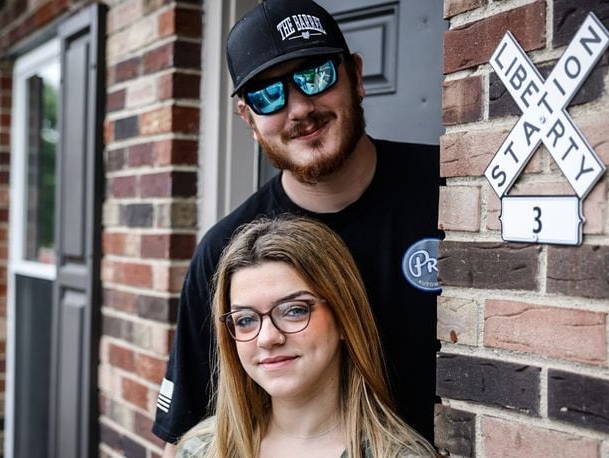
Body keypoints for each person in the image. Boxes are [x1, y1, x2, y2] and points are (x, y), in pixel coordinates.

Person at [153, 0, 442, 454]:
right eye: (268, 96)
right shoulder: (227, 252)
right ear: (248, 120)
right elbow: (184, 434)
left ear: (357, 77)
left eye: (316, 75)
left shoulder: (453, 193)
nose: (300, 107)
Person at [176, 216, 435, 458]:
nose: (267, 338)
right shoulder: (201, 449)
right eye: (245, 320)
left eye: (294, 311)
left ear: (344, 317)